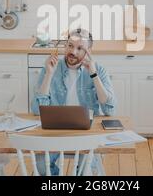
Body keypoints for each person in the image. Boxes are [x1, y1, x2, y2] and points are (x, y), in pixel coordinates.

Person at [31, 28, 116, 175]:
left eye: (80, 48)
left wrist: (93, 74)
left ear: (89, 50)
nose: (73, 52)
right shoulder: (51, 68)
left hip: (86, 134)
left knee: (85, 169)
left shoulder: (99, 70)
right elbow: (37, 110)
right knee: (40, 163)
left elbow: (109, 109)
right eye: (70, 45)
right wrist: (49, 74)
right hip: (55, 133)